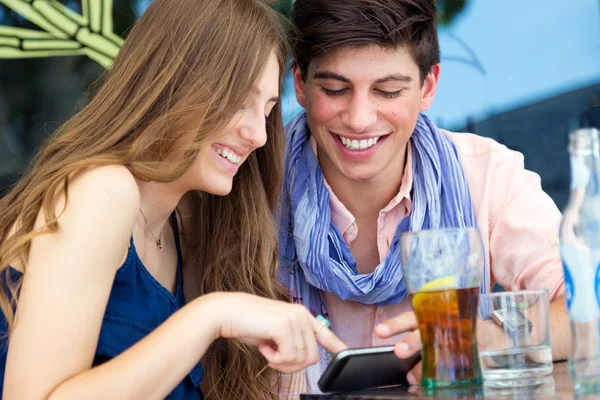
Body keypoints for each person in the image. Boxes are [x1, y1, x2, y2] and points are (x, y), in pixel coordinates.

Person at [0, 0, 347, 399]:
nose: (259, 135)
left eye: (267, 110)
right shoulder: (102, 190)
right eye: (239, 101)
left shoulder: (190, 227)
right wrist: (212, 315)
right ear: (174, 84)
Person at [278, 0, 570, 392]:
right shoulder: (249, 186)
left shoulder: (486, 175)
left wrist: (490, 338)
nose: (360, 117)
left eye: (388, 90)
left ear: (428, 86)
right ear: (299, 84)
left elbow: (589, 311)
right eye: (335, 89)